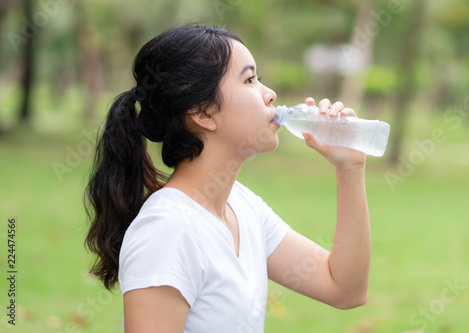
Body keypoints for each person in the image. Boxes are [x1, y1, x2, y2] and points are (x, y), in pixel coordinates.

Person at [85, 24, 370, 333]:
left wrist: (350, 169)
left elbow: (344, 289)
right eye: (249, 79)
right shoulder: (168, 230)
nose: (269, 93)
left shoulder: (242, 206)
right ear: (203, 113)